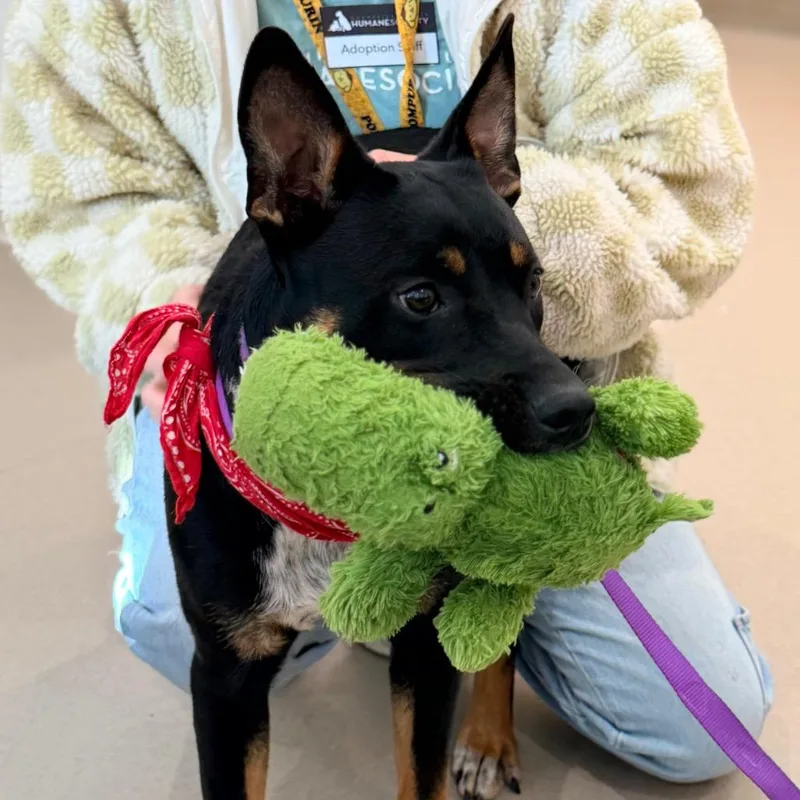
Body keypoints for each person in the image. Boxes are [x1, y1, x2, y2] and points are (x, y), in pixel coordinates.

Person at [1, 0, 772, 787]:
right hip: (253, 391)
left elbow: (684, 185)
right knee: (184, 630)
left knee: (696, 717)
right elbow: (85, 204)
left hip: (461, 407)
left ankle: (484, 676)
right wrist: (159, 296)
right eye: (423, 301)